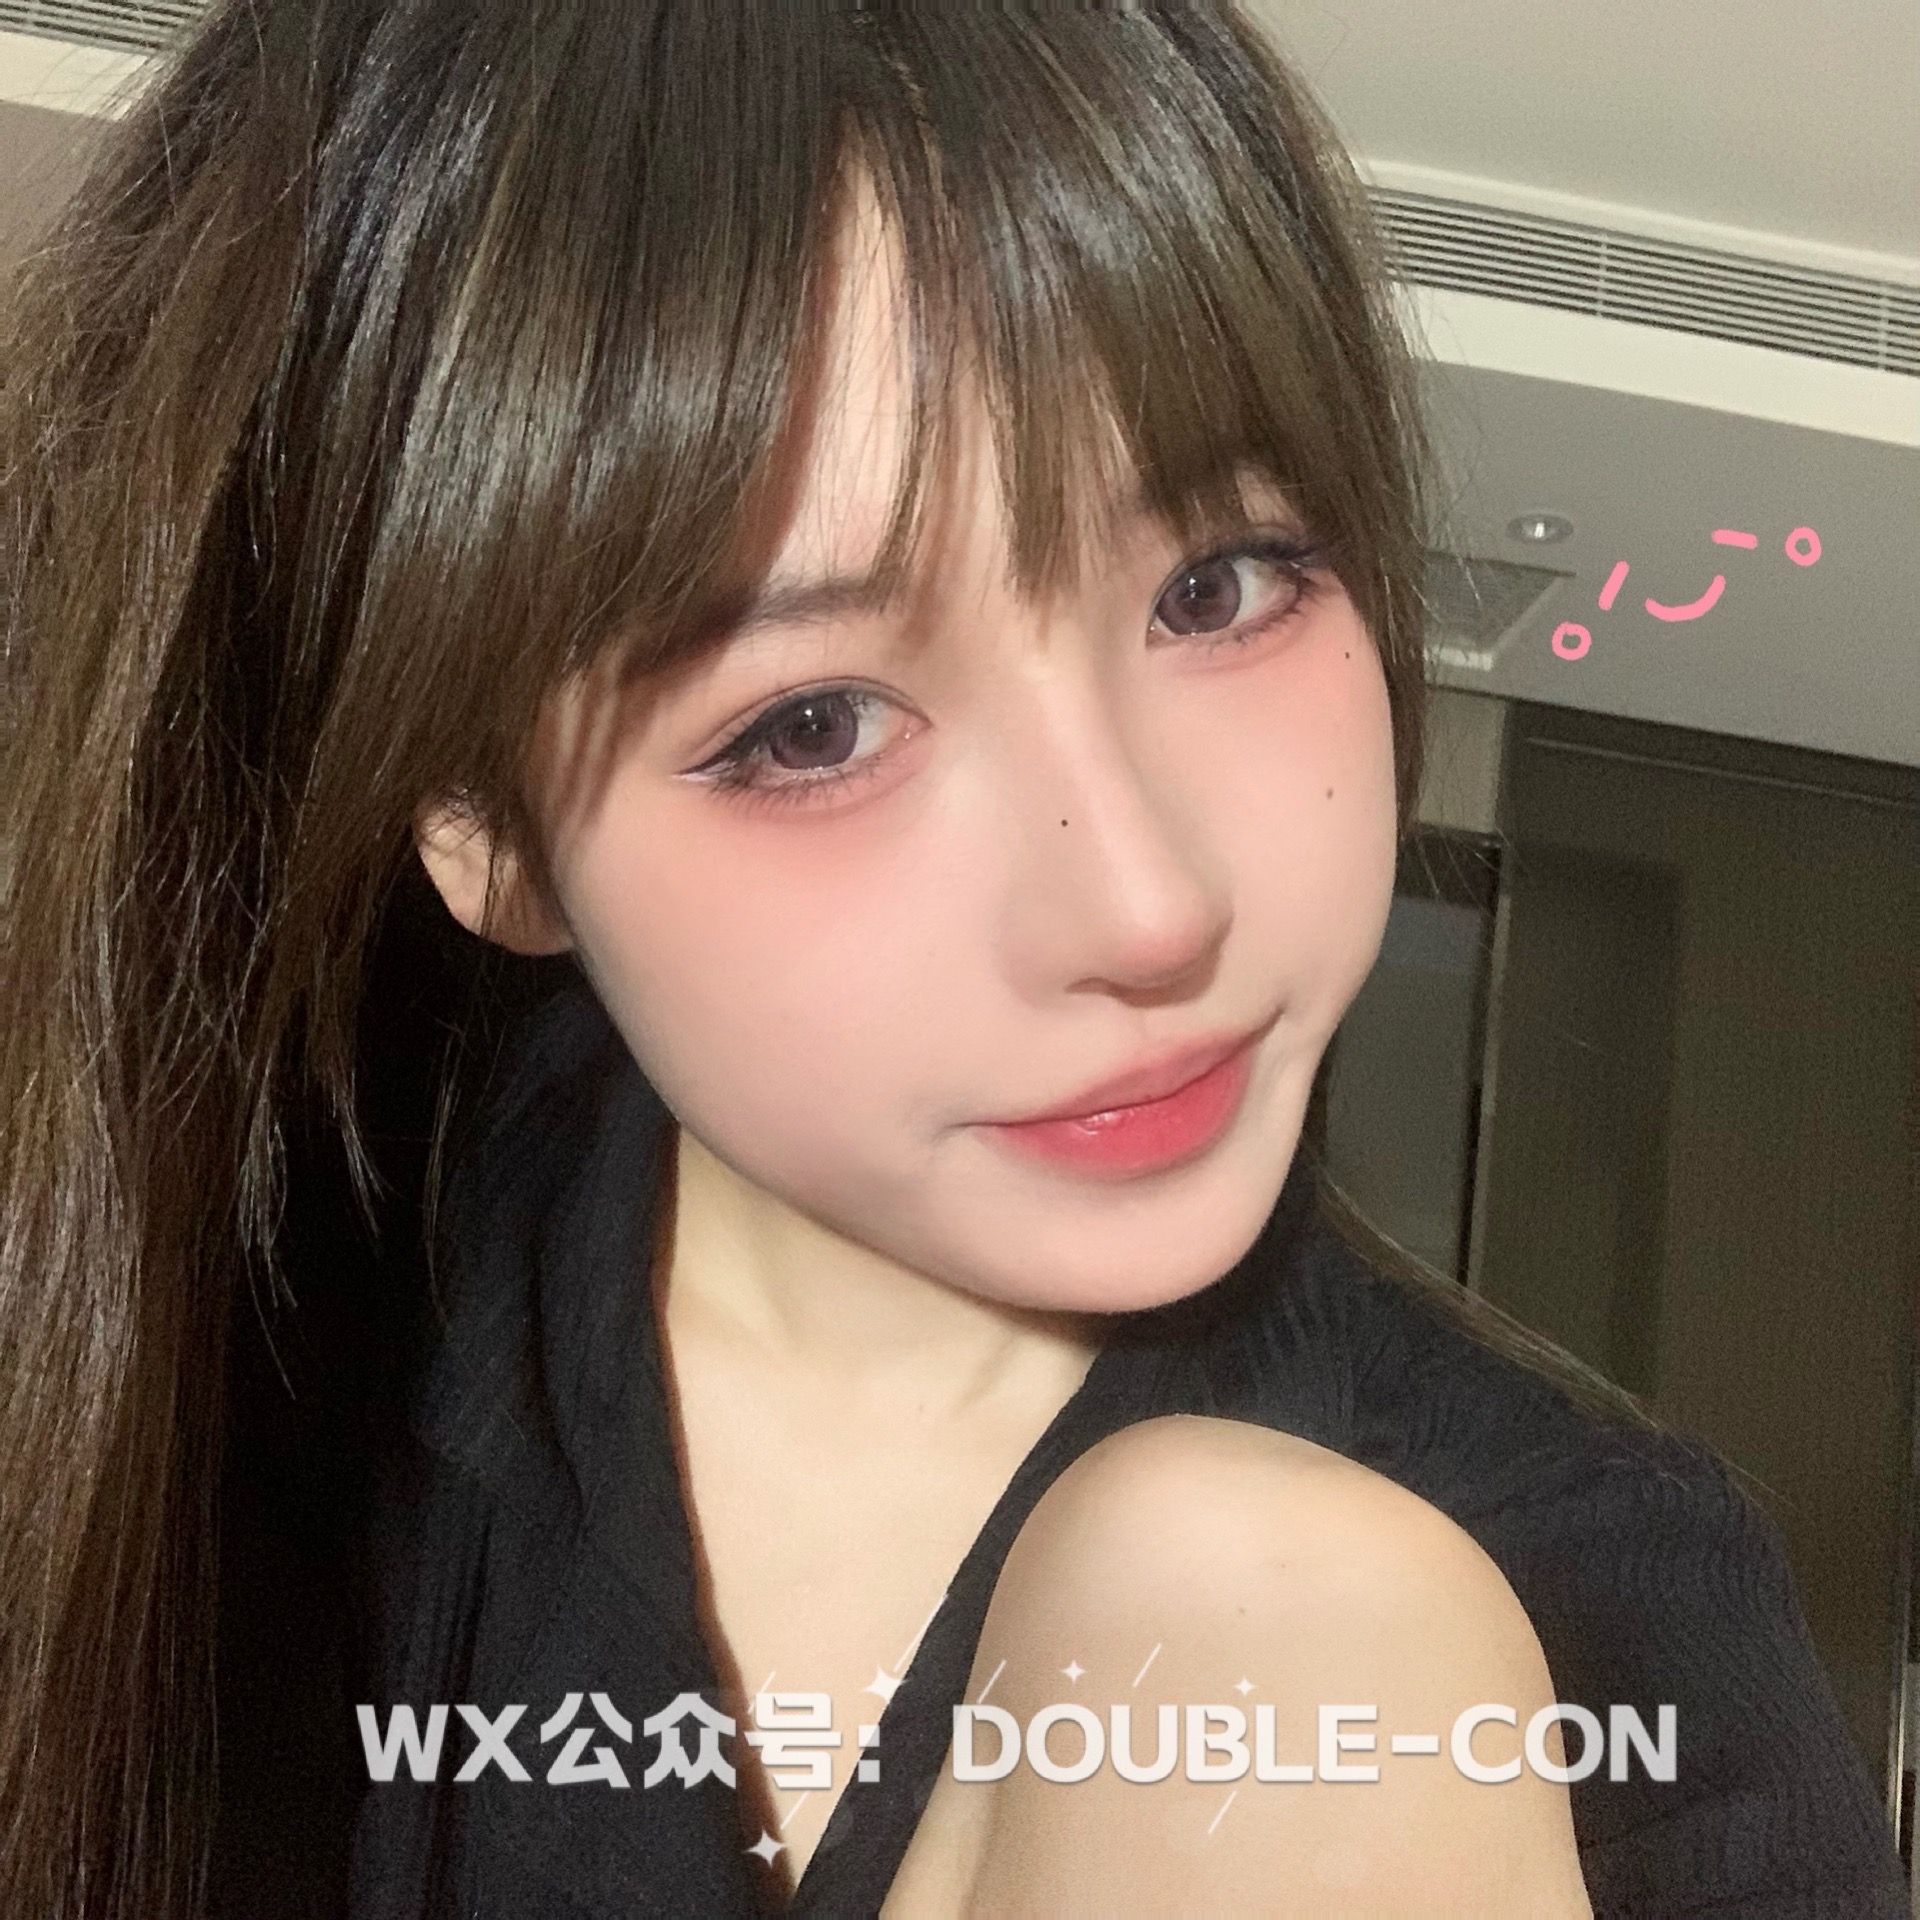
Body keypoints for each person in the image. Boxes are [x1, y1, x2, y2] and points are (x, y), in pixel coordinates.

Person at [0, 4, 1902, 1916]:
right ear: (489, 828)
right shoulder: (228, 1373)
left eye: (1221, 585)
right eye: (812, 726)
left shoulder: (1608, 1611)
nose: (1147, 908)